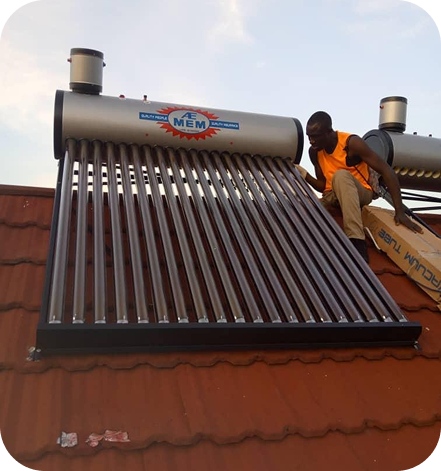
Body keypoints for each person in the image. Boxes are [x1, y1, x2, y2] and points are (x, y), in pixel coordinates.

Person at [295, 111, 422, 263]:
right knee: (301, 209)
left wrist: (399, 211)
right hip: (333, 196)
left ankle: (356, 241)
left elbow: (387, 171)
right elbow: (323, 187)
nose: (311, 141)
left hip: (360, 192)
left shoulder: (351, 144)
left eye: (315, 136)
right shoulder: (314, 152)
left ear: (329, 132)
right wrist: (305, 176)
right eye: (309, 136)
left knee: (340, 175)